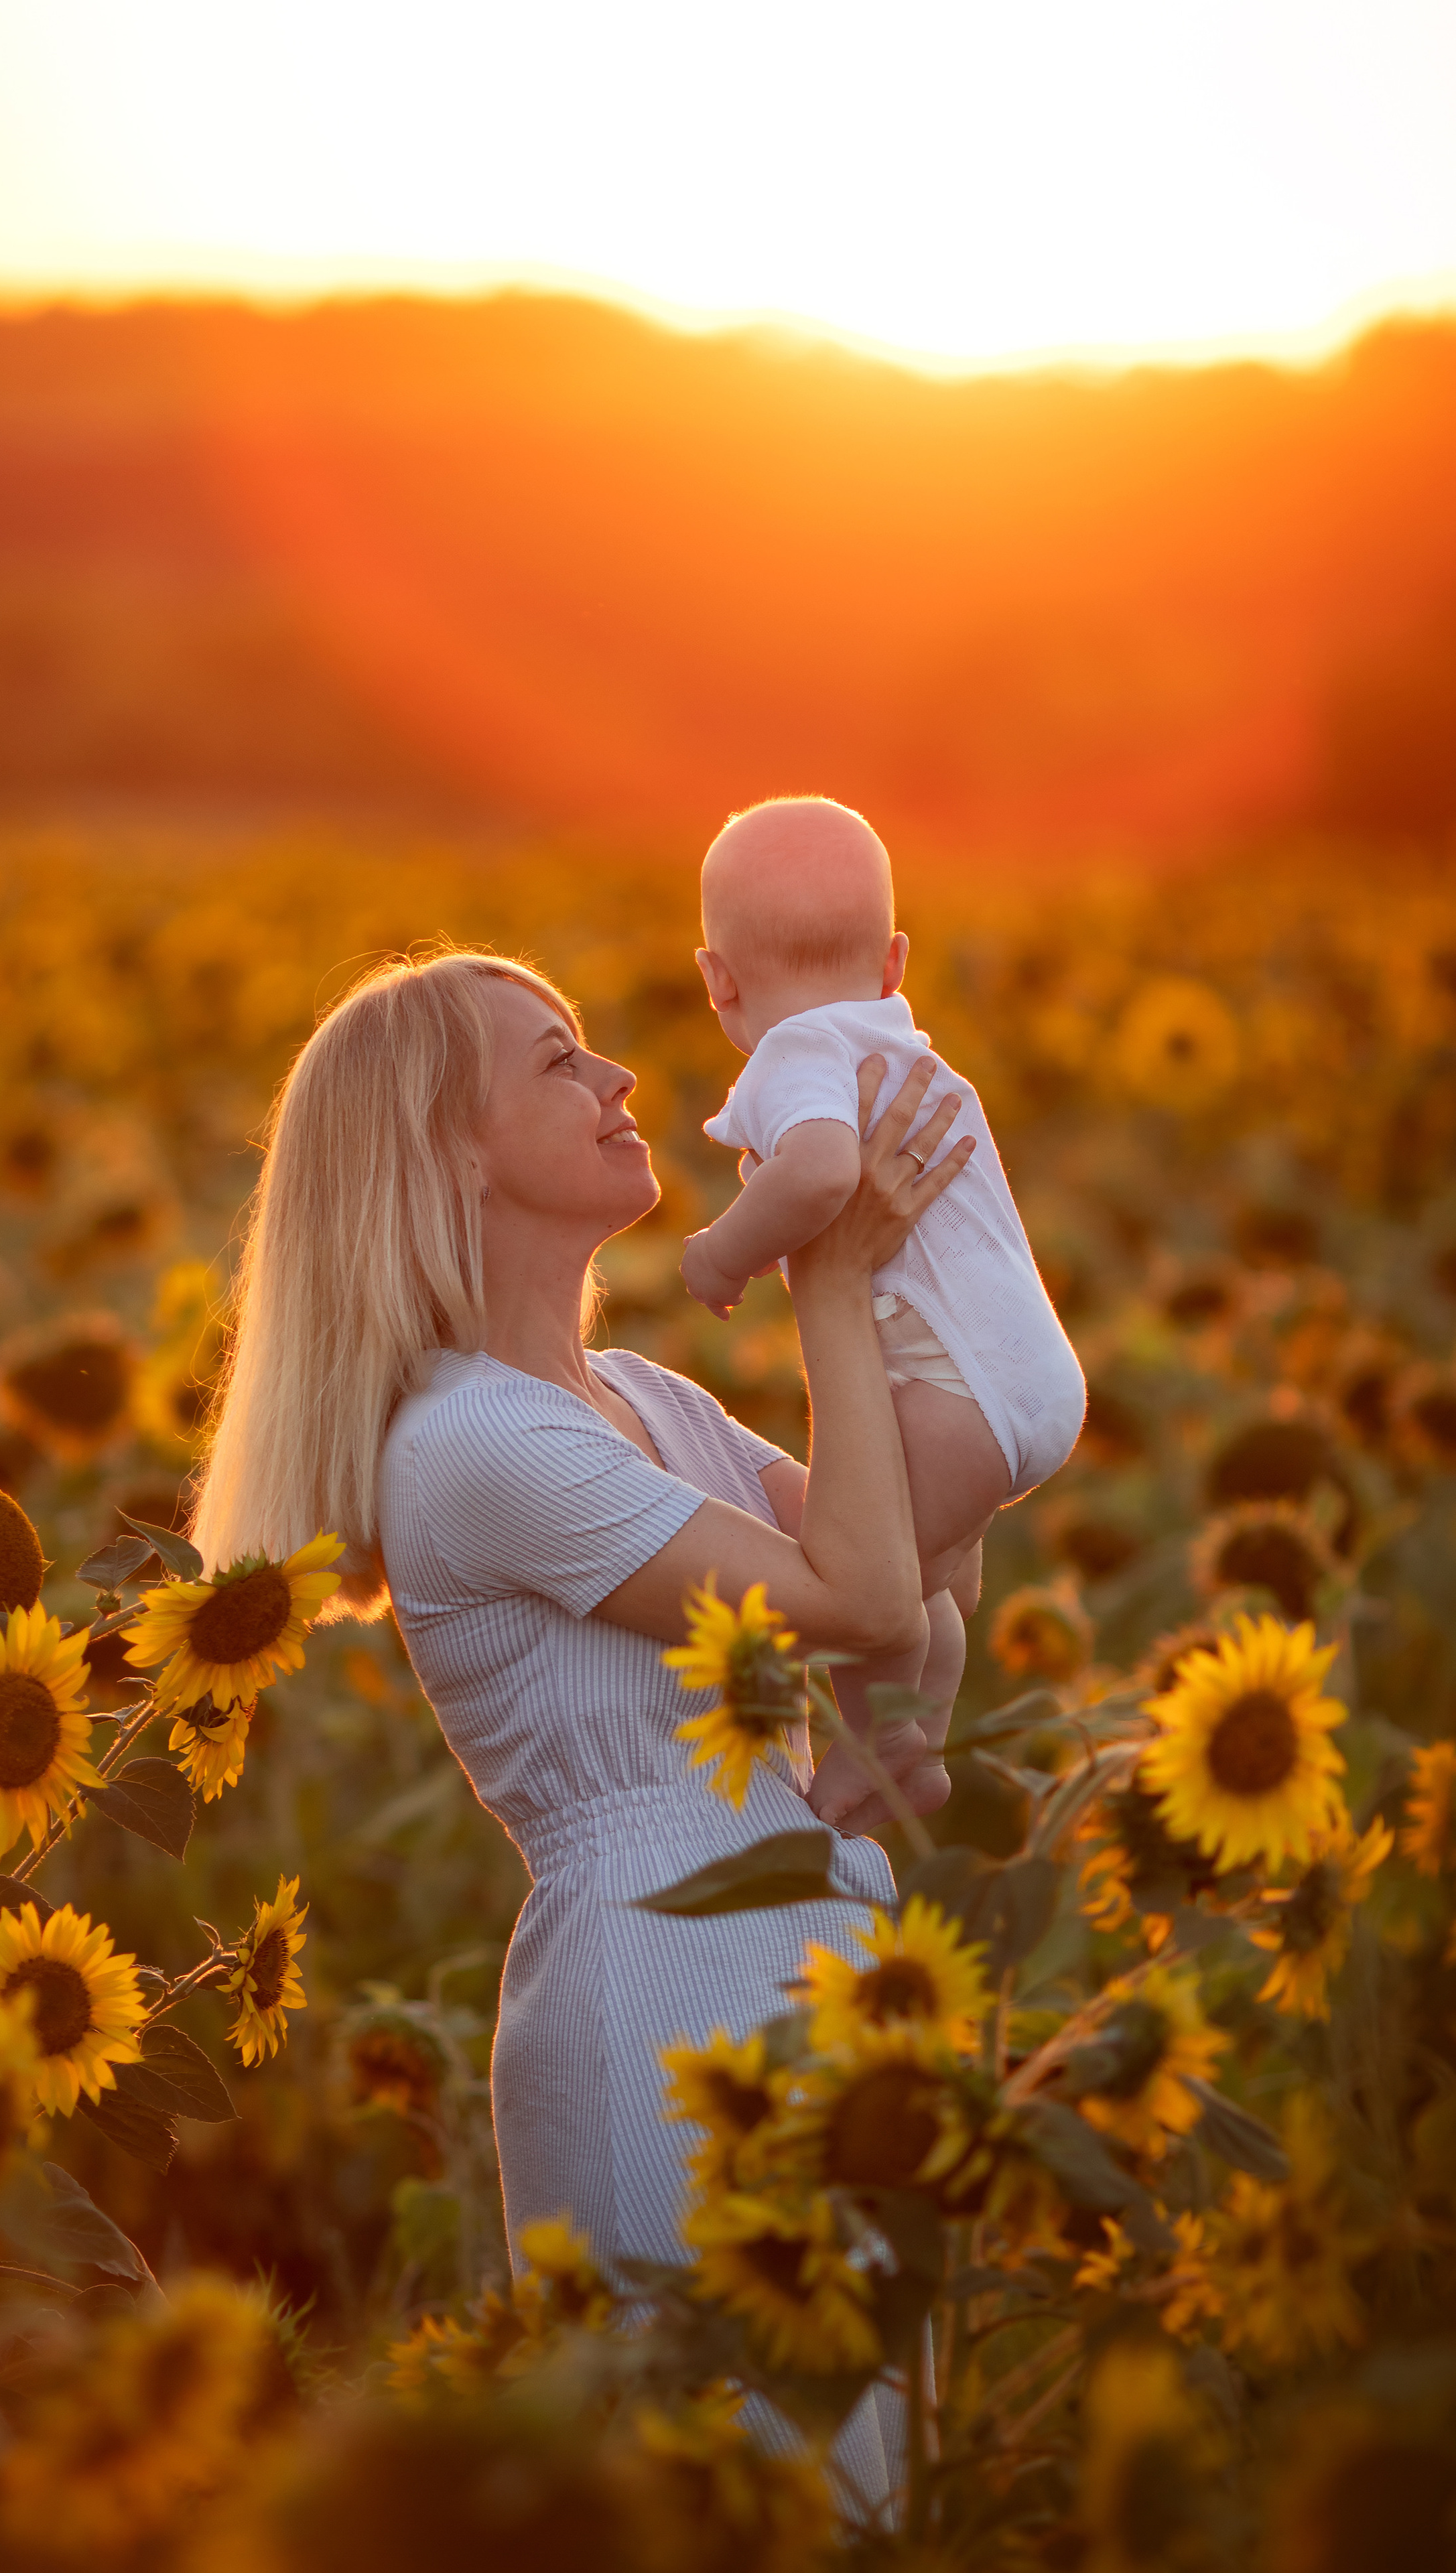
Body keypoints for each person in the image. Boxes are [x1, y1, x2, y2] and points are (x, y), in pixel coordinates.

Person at [191, 946, 974, 2510]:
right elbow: (868, 1593)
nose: (621, 1081)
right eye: (557, 1061)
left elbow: (929, 1551)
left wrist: (934, 1264)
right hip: (660, 2008)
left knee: (883, 2502)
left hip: (805, 1951)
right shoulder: (475, 1448)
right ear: (447, 1154)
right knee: (744, 2501)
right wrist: (821, 1273)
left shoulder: (639, 1399)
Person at [683, 797, 1087, 1821]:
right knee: (919, 1585)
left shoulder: (797, 1055)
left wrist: (724, 1251)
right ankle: (918, 1746)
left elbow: (819, 1172)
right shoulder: (911, 1056)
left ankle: (875, 1745)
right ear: (896, 964)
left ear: (717, 980)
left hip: (952, 1390)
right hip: (1026, 1377)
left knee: (862, 1587)